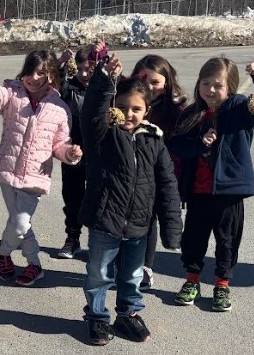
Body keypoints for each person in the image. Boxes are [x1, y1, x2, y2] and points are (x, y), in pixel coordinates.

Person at [79, 50, 182, 345]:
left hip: (139, 225)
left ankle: (128, 314)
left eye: (136, 108)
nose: (128, 113)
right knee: (99, 274)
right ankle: (98, 318)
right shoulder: (103, 135)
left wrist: (172, 227)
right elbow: (92, 113)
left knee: (133, 275)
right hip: (105, 221)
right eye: (121, 107)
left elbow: (167, 185)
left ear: (146, 111)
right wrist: (103, 79)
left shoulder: (154, 140)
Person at [171, 57, 254, 312]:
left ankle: (222, 284)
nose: (210, 90)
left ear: (229, 87)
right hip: (198, 191)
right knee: (193, 240)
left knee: (227, 241)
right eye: (205, 83)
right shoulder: (191, 113)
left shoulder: (240, 109)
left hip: (229, 192)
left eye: (217, 85)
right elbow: (177, 145)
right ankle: (192, 281)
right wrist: (199, 144)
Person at [0, 50, 82, 286]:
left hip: (36, 175)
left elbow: (59, 145)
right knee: (19, 223)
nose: (33, 77)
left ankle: (3, 251)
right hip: (8, 169)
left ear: (52, 76)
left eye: (41, 72)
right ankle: (35, 265)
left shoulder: (59, 108)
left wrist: (70, 153)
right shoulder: (12, 94)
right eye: (29, 72)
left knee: (21, 223)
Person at [129, 54, 188, 289]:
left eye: (156, 82)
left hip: (156, 175)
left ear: (167, 82)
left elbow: (180, 145)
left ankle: (145, 265)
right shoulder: (128, 101)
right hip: (129, 172)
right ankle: (125, 260)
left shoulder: (174, 110)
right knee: (130, 219)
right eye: (144, 80)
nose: (150, 86)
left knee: (149, 221)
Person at [54, 45, 98, 260]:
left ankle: (97, 241)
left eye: (89, 69)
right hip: (72, 150)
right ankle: (72, 238)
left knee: (97, 197)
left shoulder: (102, 87)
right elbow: (54, 83)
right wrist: (61, 63)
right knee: (72, 198)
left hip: (98, 153)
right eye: (79, 69)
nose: (83, 74)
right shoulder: (69, 88)